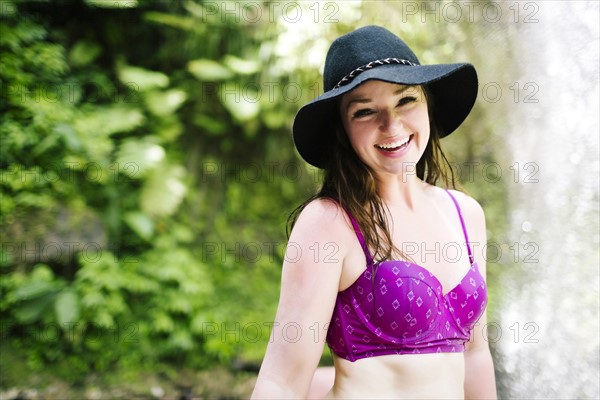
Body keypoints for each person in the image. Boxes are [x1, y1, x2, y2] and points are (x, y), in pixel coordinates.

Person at [252, 25, 497, 399]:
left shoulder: (465, 213)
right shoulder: (330, 223)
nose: (392, 125)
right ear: (342, 130)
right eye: (366, 111)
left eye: (406, 101)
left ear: (427, 102)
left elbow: (476, 356)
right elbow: (281, 382)